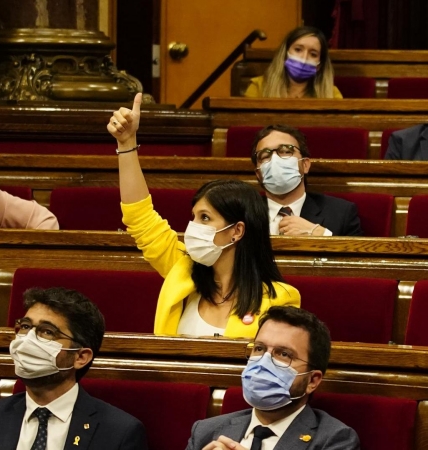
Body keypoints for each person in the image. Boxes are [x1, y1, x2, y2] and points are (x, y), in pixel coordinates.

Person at [109, 94, 300, 337]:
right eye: (194, 217)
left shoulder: (280, 299)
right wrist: (126, 144)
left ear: (237, 231)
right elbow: (140, 217)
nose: (193, 227)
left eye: (205, 218)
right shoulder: (182, 270)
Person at [0, 287, 148, 450]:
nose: (28, 340)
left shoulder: (119, 432)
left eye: (47, 332)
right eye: (25, 326)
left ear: (80, 357)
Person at [186, 306, 361, 450]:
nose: (264, 362)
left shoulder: (335, 440)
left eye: (283, 354)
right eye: (259, 349)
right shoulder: (206, 431)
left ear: (312, 380)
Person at [251, 125, 363, 236]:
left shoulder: (341, 213)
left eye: (286, 151)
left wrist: (321, 235)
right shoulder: (242, 213)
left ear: (305, 165)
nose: (275, 160)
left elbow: (356, 253)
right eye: (265, 156)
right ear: (258, 173)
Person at [244, 26, 342, 99]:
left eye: (313, 54)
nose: (304, 58)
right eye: (298, 50)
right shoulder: (259, 87)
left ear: (319, 66)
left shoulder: (332, 94)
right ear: (285, 55)